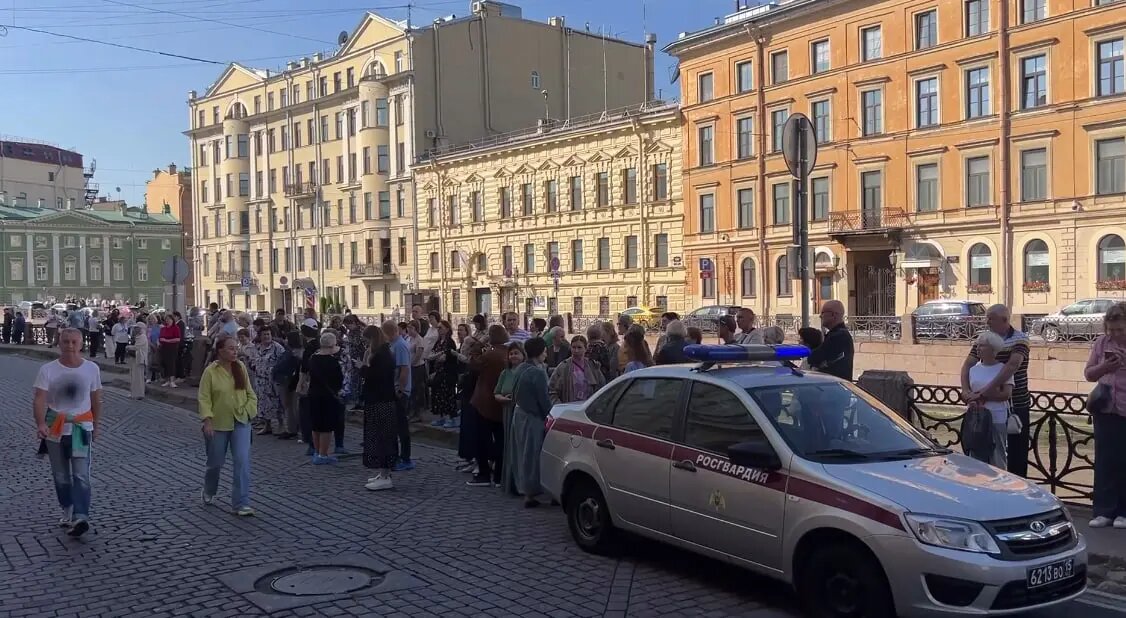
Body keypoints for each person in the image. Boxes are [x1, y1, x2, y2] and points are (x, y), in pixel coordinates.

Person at [33, 328, 102, 537]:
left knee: (81, 475)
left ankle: (81, 516)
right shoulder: (48, 370)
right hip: (55, 428)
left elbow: (96, 399)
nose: (70, 346)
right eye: (66, 342)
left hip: (81, 428)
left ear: (81, 344)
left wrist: (97, 425)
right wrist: (40, 424)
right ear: (59, 344)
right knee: (61, 476)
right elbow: (39, 399)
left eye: (74, 342)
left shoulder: (92, 369)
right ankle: (67, 508)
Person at [959, 304, 1031, 478]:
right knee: (983, 450)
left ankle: (1018, 489)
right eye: (987, 317)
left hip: (1015, 404)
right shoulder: (983, 339)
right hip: (983, 408)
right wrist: (966, 391)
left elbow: (1012, 366)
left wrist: (983, 392)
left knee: (1016, 452)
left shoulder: (1020, 339)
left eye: (991, 317)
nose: (987, 321)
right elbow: (968, 364)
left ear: (1005, 320)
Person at [198, 333, 258, 516]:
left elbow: (251, 394)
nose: (235, 351)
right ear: (220, 351)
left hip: (241, 421)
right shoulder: (210, 371)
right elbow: (204, 398)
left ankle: (241, 503)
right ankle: (209, 489)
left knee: (242, 461)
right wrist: (207, 420)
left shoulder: (240, 367)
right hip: (218, 423)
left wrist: (248, 411)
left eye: (236, 348)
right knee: (215, 463)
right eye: (231, 348)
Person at [1086, 302, 1126, 528]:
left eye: (1120, 329)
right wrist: (1106, 367)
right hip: (1105, 408)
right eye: (1111, 330)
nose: (1116, 334)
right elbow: (1089, 374)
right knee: (1105, 461)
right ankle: (1103, 511)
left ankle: (1124, 512)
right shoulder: (1101, 343)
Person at [511, 337, 553, 508]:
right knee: (532, 454)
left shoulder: (521, 368)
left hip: (519, 414)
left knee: (522, 452)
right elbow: (544, 400)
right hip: (532, 417)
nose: (546, 353)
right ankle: (530, 492)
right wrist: (549, 416)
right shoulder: (537, 372)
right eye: (544, 350)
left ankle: (524, 487)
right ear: (539, 351)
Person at [964, 331, 1014, 468]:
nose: (978, 349)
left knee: (998, 453)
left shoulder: (1002, 369)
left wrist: (982, 396)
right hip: (976, 417)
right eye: (978, 346)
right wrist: (969, 398)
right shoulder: (973, 370)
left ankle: (1000, 484)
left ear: (993, 349)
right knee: (976, 454)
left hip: (996, 416)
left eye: (982, 346)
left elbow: (1006, 394)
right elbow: (968, 393)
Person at [469, 325, 510, 487]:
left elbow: (473, 364)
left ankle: (484, 474)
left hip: (484, 402)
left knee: (482, 440)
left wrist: (478, 345)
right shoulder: (508, 354)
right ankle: (499, 475)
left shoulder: (490, 355)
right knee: (500, 440)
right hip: (501, 403)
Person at [362, 326, 399, 491]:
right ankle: (383, 473)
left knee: (383, 438)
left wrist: (362, 368)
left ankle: (385, 475)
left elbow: (376, 376)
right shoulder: (384, 353)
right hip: (381, 400)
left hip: (381, 401)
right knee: (380, 437)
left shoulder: (382, 356)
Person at [307, 332, 345, 465]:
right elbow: (339, 381)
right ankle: (323, 454)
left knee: (316, 425)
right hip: (328, 396)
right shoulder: (332, 362)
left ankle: (317, 452)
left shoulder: (313, 358)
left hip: (313, 394)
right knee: (326, 427)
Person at [495, 342, 527, 496]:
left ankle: (523, 483)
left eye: (516, 353)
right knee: (509, 445)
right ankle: (510, 481)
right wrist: (503, 399)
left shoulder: (527, 372)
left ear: (523, 355)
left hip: (522, 412)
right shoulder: (505, 373)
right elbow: (497, 393)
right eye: (511, 353)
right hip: (508, 411)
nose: (513, 356)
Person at [384, 320, 415, 471]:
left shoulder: (400, 345)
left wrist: (400, 389)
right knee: (394, 426)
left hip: (401, 392)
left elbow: (404, 369)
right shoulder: (393, 344)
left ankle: (406, 458)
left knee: (402, 426)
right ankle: (395, 455)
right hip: (394, 389)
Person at [248, 329, 287, 436]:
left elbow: (284, 361)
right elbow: (252, 360)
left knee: (276, 402)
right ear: (260, 336)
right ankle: (267, 425)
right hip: (260, 380)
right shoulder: (257, 347)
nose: (266, 336)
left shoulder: (277, 347)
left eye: (268, 334)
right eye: (264, 334)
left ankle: (281, 425)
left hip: (272, 381)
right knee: (262, 403)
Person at [548, 334, 606, 404]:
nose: (576, 350)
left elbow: (602, 387)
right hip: (569, 408)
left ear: (585, 348)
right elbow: (552, 390)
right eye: (573, 347)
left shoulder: (593, 366)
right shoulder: (563, 367)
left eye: (579, 347)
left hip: (588, 407)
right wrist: (559, 406)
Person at [809, 300, 855, 381]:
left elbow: (814, 357)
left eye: (823, 313)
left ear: (833, 315)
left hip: (833, 386)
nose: (820, 316)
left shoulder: (838, 336)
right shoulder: (839, 334)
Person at [427, 320, 460, 428]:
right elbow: (430, 355)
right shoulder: (438, 341)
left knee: (448, 395)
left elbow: (443, 358)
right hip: (438, 372)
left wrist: (437, 355)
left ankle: (452, 418)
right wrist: (438, 354)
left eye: (441, 328)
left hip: (447, 373)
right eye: (438, 328)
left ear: (447, 329)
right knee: (438, 395)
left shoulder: (449, 342)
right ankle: (441, 417)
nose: (439, 330)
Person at [274, 332, 305, 440]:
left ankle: (293, 429)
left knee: (290, 406)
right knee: (291, 406)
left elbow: (282, 366)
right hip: (289, 381)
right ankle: (293, 428)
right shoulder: (293, 352)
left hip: (288, 381)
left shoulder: (292, 354)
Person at [158, 314, 182, 388]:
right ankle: (167, 380)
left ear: (172, 320)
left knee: (171, 363)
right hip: (163, 348)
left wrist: (167, 340)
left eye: (169, 319)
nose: (167, 320)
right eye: (166, 319)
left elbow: (178, 339)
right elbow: (160, 337)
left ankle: (172, 381)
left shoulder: (176, 328)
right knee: (165, 363)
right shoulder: (163, 328)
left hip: (172, 348)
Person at [127, 322, 149, 399]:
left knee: (139, 377)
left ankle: (139, 393)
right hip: (134, 358)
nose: (135, 329)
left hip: (139, 358)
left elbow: (137, 347)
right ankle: (134, 392)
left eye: (137, 328)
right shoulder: (136, 336)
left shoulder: (142, 337)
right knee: (134, 376)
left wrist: (129, 347)